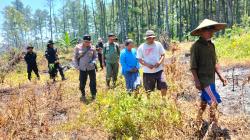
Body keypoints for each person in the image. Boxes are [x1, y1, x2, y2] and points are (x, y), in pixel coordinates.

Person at [190, 19, 228, 130]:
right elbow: (193, 66)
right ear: (201, 32)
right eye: (208, 30)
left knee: (204, 101)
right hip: (203, 80)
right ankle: (213, 126)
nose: (210, 32)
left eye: (211, 30)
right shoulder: (196, 46)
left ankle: (197, 120)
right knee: (214, 101)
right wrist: (196, 80)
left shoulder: (211, 45)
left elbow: (215, 62)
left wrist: (221, 75)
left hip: (211, 79)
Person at [137, 30, 168, 98]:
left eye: (153, 38)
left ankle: (164, 100)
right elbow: (139, 59)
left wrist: (159, 63)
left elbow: (163, 54)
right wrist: (148, 65)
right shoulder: (142, 47)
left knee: (163, 84)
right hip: (147, 72)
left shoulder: (158, 44)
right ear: (147, 38)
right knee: (148, 90)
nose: (152, 39)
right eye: (150, 38)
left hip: (159, 70)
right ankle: (149, 102)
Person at [73, 35, 97, 102]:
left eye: (89, 42)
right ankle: (83, 94)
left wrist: (94, 62)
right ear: (83, 41)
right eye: (86, 42)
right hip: (82, 68)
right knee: (82, 82)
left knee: (93, 82)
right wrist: (77, 66)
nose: (87, 43)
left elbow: (95, 56)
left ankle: (93, 94)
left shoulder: (93, 47)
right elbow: (74, 57)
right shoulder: (78, 47)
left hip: (91, 68)